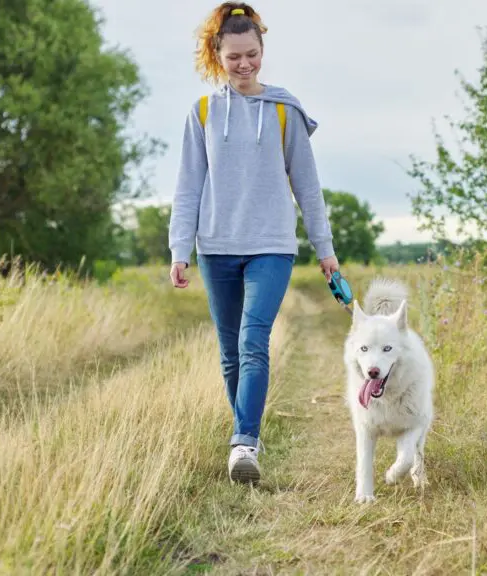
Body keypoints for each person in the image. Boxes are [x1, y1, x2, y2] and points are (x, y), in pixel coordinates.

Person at [167, 2, 338, 485]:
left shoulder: (285, 111)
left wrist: (324, 250)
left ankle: (243, 441)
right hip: (216, 246)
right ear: (217, 54)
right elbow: (188, 187)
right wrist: (180, 249)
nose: (245, 65)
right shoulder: (201, 113)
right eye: (235, 56)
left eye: (253, 55)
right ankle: (248, 435)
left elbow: (308, 188)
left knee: (252, 340)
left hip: (271, 245)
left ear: (264, 51)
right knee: (229, 352)